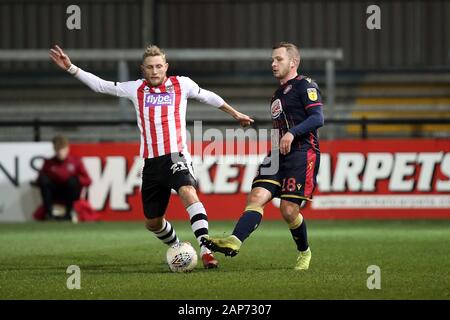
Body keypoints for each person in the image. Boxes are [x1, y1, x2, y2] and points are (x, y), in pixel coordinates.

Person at [49, 44, 253, 269]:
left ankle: (206, 251)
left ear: (166, 67)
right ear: (142, 69)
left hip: (176, 156)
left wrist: (235, 114)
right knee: (153, 222)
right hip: (151, 164)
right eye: (150, 67)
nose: (155, 71)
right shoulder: (135, 89)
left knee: (188, 191)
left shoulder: (181, 84)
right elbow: (101, 86)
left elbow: (208, 97)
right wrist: (71, 68)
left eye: (158, 66)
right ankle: (178, 247)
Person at [202, 42, 324, 270]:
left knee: (288, 210)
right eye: (272, 59)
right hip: (277, 155)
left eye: (278, 59)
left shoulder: (305, 85)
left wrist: (292, 133)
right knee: (257, 196)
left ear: (293, 62)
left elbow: (318, 118)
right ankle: (235, 241)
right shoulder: (278, 93)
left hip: (302, 152)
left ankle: (304, 252)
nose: (273, 63)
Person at [37, 135, 92, 221]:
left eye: (62, 149)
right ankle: (49, 213)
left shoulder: (76, 161)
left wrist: (77, 180)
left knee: (72, 181)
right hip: (55, 193)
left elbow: (88, 180)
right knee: (44, 180)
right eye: (58, 150)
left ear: (67, 149)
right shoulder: (48, 163)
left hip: (70, 193)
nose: (60, 152)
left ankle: (69, 212)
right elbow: (39, 180)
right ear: (55, 150)